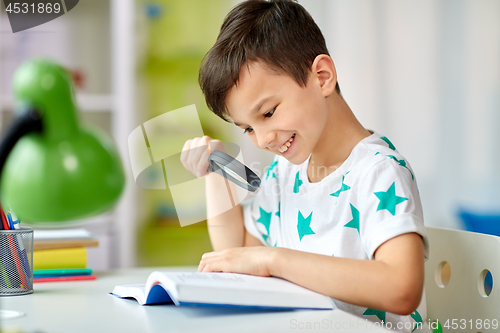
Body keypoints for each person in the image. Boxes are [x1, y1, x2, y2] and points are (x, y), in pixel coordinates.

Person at [180, 1, 430, 331]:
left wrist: (274, 260)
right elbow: (237, 255)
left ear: (322, 77)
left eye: (268, 113)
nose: (262, 140)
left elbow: (402, 289)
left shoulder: (378, 172)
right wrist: (214, 172)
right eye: (248, 128)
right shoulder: (285, 173)